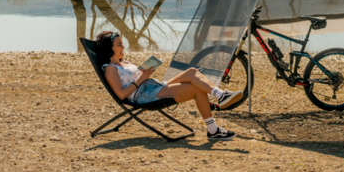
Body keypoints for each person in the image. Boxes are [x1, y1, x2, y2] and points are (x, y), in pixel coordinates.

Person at [96, 30, 243, 141]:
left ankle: (220, 95)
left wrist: (145, 74)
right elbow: (121, 95)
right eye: (119, 44)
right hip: (144, 93)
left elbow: (140, 78)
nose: (123, 46)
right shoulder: (110, 68)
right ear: (110, 48)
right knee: (196, 89)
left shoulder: (125, 63)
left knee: (192, 72)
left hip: (153, 86)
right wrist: (142, 77)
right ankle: (213, 130)